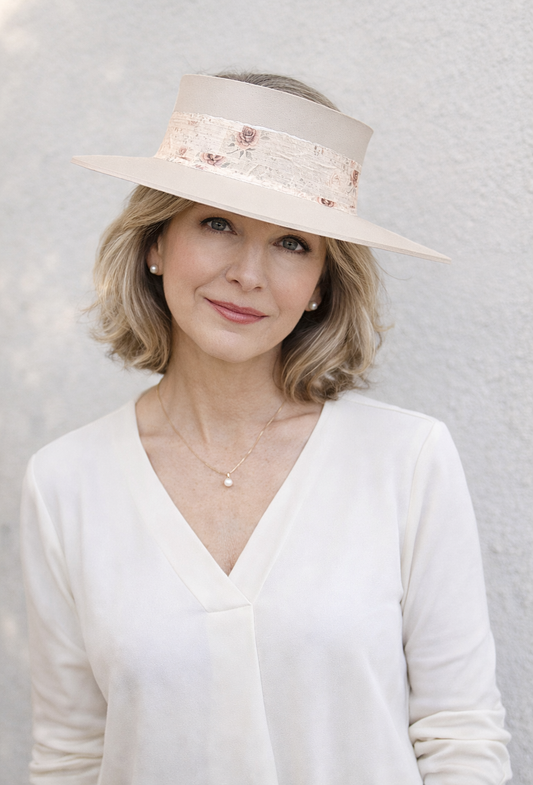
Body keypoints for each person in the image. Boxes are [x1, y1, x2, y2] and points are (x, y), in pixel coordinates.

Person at [20, 72, 511, 785]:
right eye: (216, 223)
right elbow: (70, 757)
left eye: (290, 242)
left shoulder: (404, 460)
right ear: (156, 244)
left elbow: (459, 735)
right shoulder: (67, 482)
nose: (249, 273)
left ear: (320, 285)